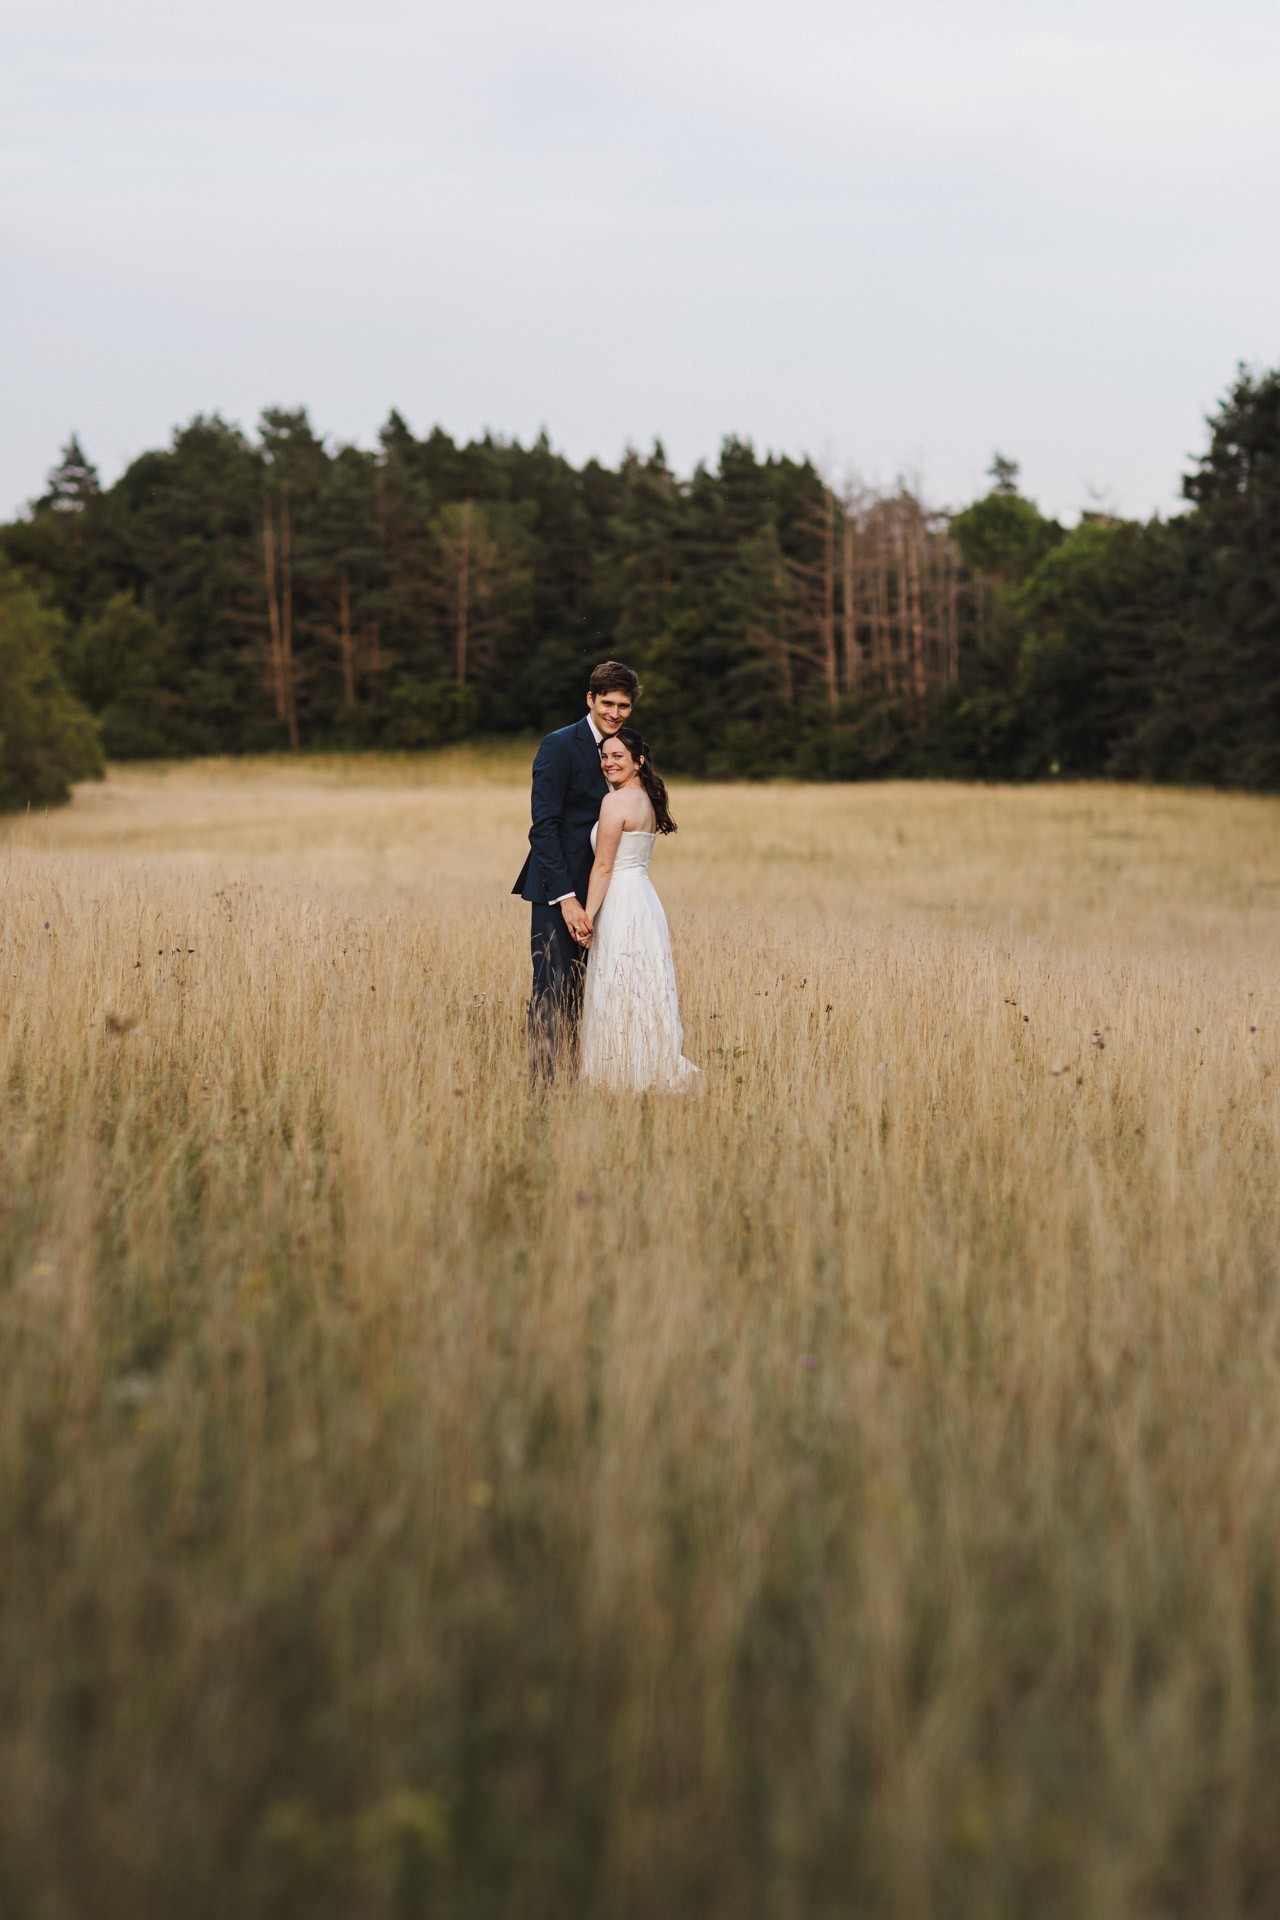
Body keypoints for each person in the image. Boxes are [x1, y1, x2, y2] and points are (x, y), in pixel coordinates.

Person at [513, 661, 639, 1081]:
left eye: (624, 705)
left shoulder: (626, 750)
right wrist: (566, 899)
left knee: (592, 992)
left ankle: (585, 1078)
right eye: (608, 703)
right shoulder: (559, 745)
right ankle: (545, 1089)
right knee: (552, 989)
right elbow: (543, 828)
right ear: (590, 699)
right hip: (559, 890)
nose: (615, 713)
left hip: (607, 893)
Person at [577, 726, 699, 1092]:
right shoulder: (645, 798)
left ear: (638, 762)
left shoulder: (615, 802)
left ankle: (618, 1075)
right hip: (643, 899)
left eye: (618, 756)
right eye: (604, 756)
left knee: (617, 982)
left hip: (620, 900)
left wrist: (585, 916)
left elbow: (603, 866)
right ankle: (647, 1066)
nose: (608, 763)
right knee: (642, 984)